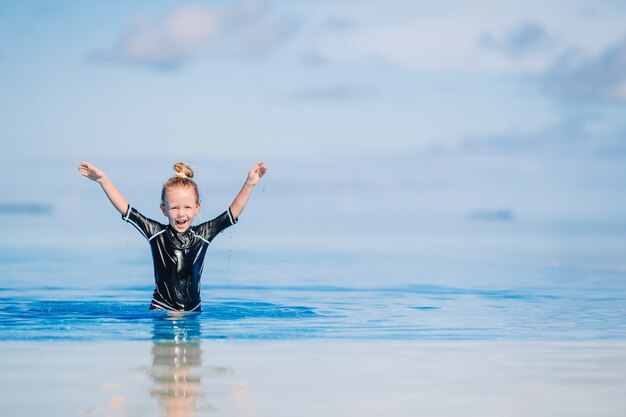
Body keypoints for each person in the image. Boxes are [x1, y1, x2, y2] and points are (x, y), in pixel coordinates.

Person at [78, 161, 267, 312]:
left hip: (194, 311)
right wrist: (103, 180)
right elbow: (128, 210)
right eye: (174, 208)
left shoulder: (204, 235)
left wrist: (249, 183)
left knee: (192, 360)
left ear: (197, 208)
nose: (181, 214)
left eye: (187, 208)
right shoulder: (156, 233)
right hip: (161, 310)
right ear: (164, 209)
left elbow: (232, 213)